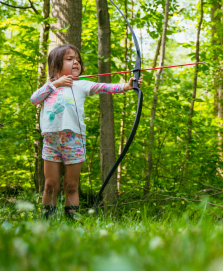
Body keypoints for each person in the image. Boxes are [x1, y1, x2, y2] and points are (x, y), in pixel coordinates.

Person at [30, 44, 142, 220]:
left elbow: (105, 87)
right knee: (51, 183)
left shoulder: (82, 85)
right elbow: (34, 99)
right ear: (55, 65)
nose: (76, 63)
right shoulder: (49, 87)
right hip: (51, 141)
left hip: (74, 140)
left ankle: (71, 220)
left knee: (71, 184)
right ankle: (46, 221)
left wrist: (127, 86)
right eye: (69, 59)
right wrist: (55, 84)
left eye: (78, 60)